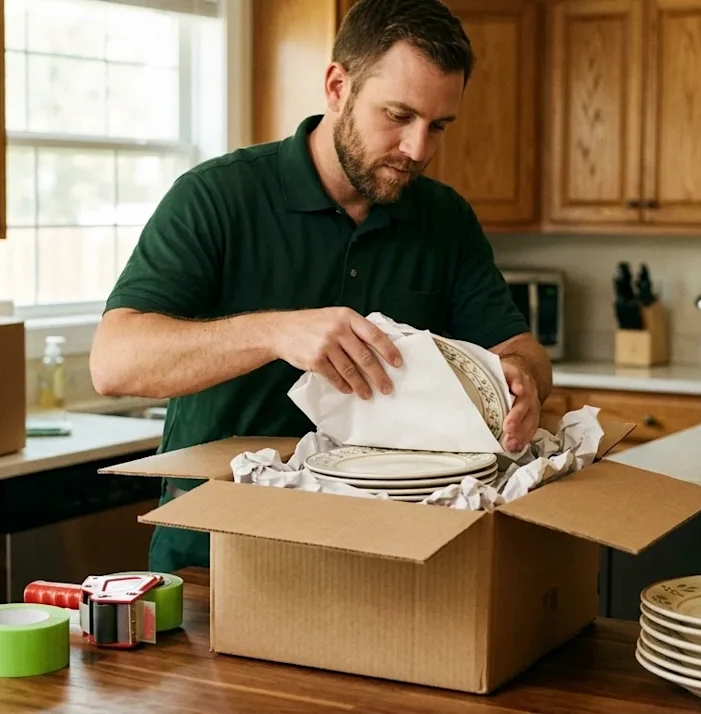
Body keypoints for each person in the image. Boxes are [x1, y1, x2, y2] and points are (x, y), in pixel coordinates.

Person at [91, 0, 554, 573]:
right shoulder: (215, 197)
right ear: (338, 86)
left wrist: (524, 380)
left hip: (387, 556)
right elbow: (114, 365)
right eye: (398, 115)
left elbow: (521, 348)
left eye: (438, 126)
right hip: (217, 555)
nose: (418, 149)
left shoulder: (445, 219)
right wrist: (275, 331)